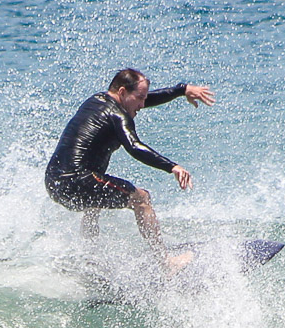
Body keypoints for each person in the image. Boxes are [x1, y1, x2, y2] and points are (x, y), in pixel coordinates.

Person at [45, 68, 215, 272]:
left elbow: (145, 99)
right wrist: (172, 166)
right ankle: (166, 263)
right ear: (123, 92)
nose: (143, 105)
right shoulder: (118, 115)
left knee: (95, 199)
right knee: (141, 199)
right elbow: (134, 146)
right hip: (78, 182)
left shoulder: (97, 101)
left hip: (55, 182)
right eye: (140, 98)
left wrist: (181, 90)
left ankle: (89, 257)